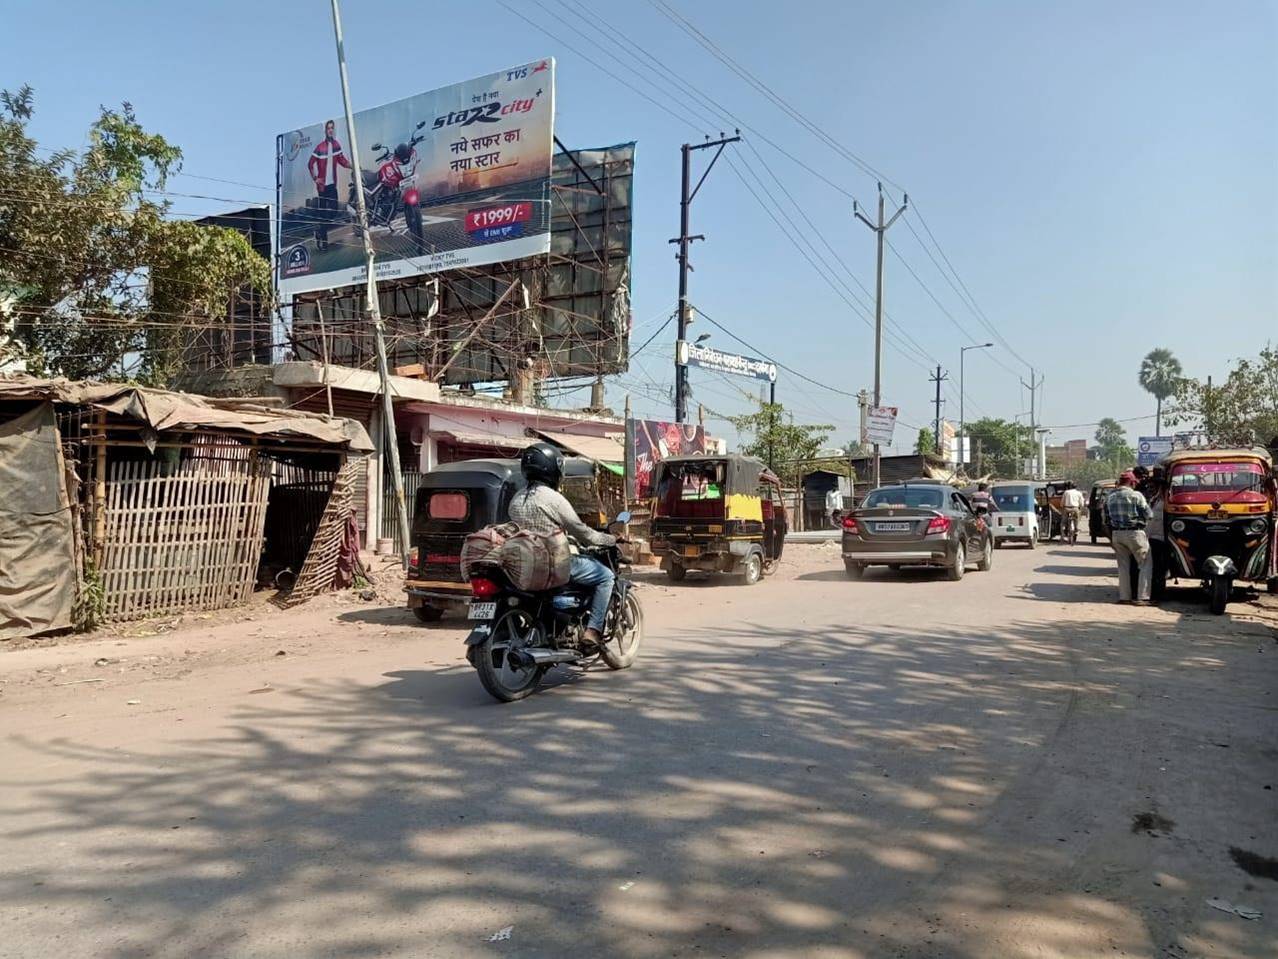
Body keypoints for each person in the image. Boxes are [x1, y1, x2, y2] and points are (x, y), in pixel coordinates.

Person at [507, 442, 617, 645]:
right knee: (606, 577)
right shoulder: (554, 499)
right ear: (552, 468)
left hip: (525, 563)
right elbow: (583, 533)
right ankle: (593, 630)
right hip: (554, 563)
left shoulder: (515, 499)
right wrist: (610, 539)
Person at [1105, 471, 1152, 605]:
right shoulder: (1136, 495)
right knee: (1145, 564)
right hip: (1135, 533)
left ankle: (1124, 597)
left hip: (1117, 534)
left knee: (1123, 567)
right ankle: (1142, 598)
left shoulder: (1110, 496)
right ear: (1132, 483)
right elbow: (1149, 514)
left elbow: (1105, 518)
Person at [307, 120, 350, 251]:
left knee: (334, 210)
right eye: (328, 128)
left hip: (332, 185)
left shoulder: (336, 145)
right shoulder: (320, 147)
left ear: (333, 130)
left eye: (332, 128)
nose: (330, 130)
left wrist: (353, 166)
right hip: (322, 187)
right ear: (325, 131)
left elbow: (341, 160)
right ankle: (323, 241)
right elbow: (310, 164)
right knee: (323, 214)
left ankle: (320, 230)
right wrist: (316, 178)